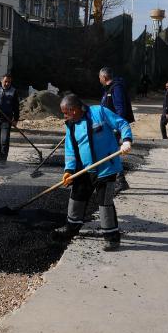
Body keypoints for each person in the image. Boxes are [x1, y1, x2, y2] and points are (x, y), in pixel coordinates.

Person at [55, 94, 133, 251]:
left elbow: (123, 124)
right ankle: (71, 228)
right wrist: (69, 170)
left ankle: (111, 238)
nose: (64, 116)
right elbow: (70, 149)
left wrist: (126, 141)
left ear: (75, 110)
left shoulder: (100, 112)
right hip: (84, 168)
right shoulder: (70, 124)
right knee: (77, 196)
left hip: (106, 167)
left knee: (104, 203)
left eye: (65, 112)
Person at [98, 67, 135, 193]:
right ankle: (117, 180)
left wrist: (116, 128)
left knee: (110, 152)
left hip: (115, 127)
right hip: (108, 126)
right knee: (108, 152)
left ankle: (120, 181)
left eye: (100, 77)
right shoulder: (108, 89)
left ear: (104, 77)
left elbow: (120, 109)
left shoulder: (116, 88)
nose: (99, 80)